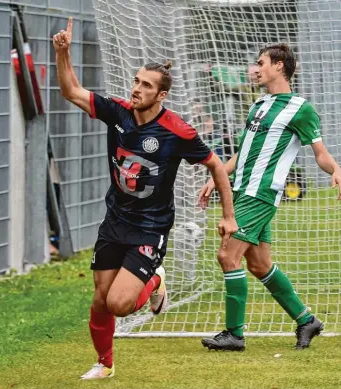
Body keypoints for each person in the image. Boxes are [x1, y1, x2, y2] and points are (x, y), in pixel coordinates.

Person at [53, 17, 237, 380]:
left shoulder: (177, 130)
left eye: (145, 85)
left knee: (119, 304)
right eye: (136, 81)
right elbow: (71, 91)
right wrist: (63, 53)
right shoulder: (118, 111)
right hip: (115, 221)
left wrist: (228, 216)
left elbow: (215, 165)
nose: (136, 88)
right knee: (100, 299)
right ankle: (105, 364)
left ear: (161, 95)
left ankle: (156, 281)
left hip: (150, 228)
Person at [198, 44, 341, 351]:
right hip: (241, 190)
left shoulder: (301, 109)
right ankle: (307, 320)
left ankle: (234, 335)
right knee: (260, 265)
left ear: (279, 66)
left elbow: (319, 152)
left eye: (261, 62)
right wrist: (217, 178)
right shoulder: (259, 105)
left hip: (260, 194)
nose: (256, 68)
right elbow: (242, 153)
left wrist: (335, 169)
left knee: (227, 256)